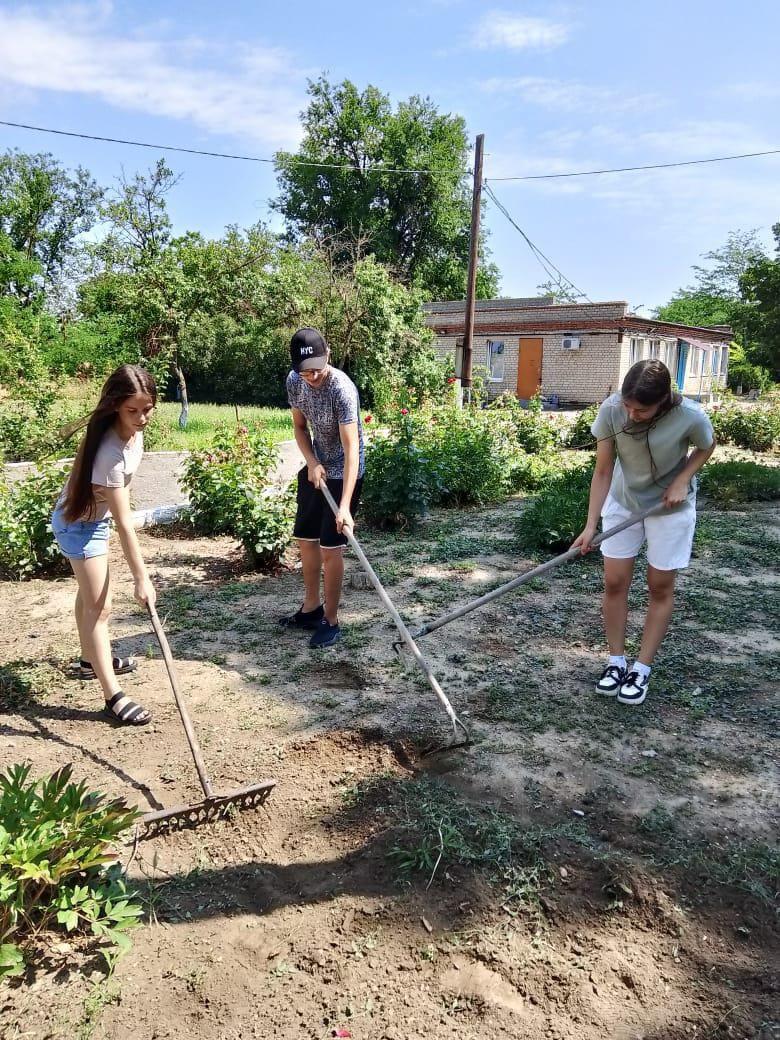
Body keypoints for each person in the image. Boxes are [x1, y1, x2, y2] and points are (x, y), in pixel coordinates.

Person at [572, 359, 715, 706]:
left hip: (669, 508)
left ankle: (642, 668)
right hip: (624, 501)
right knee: (615, 582)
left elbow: (706, 446)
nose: (632, 414)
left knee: (659, 586)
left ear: (664, 399)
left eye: (642, 409)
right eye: (628, 405)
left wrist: (683, 480)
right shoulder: (611, 411)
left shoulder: (691, 416)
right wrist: (591, 525)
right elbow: (604, 470)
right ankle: (616, 661)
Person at [51, 364, 157, 725]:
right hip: (77, 528)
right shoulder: (108, 452)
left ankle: (88, 659)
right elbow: (126, 524)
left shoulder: (131, 434)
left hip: (95, 522)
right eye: (133, 410)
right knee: (102, 606)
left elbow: (122, 496)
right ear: (115, 406)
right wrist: (142, 578)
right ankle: (112, 696)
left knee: (92, 597)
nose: (142, 418)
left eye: (147, 409)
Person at [279, 327, 364, 649]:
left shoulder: (342, 389)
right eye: (306, 371)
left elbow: (352, 448)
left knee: (331, 549)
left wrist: (343, 506)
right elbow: (300, 428)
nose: (312, 376)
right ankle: (311, 609)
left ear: (327, 354)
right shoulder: (295, 381)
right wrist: (312, 462)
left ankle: (331, 620)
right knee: (306, 540)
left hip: (347, 472)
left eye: (317, 368)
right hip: (317, 467)